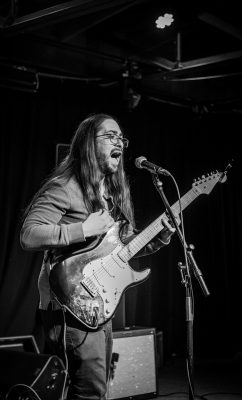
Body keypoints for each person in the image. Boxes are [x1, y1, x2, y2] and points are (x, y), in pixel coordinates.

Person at [20, 113, 176, 400]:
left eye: (122, 138)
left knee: (95, 390)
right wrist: (84, 228)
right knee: (89, 392)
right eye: (111, 136)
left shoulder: (113, 195)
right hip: (70, 305)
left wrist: (160, 238)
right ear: (88, 144)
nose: (120, 142)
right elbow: (29, 235)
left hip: (97, 306)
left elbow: (125, 250)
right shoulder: (65, 186)